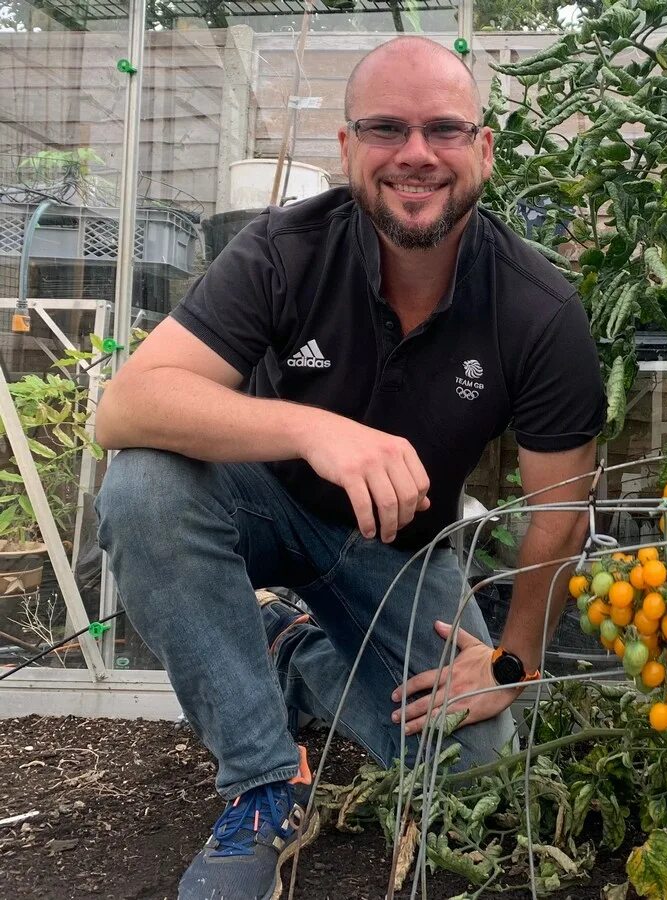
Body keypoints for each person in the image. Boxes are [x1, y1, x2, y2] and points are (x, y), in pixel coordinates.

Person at [94, 35, 604, 900]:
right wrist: (314, 430)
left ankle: (293, 657)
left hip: (397, 548)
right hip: (261, 505)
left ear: (482, 149)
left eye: (444, 129)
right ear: (347, 149)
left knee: (470, 763)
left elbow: (560, 509)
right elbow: (126, 408)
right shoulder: (283, 251)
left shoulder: (538, 310)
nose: (415, 154)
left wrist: (515, 663)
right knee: (143, 487)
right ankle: (262, 786)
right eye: (385, 129)